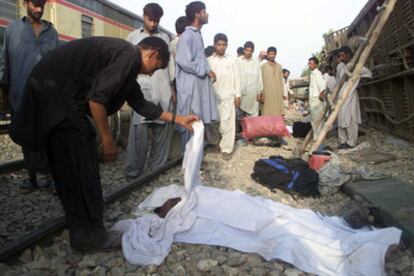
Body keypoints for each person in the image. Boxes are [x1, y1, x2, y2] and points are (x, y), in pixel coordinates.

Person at [9, 36, 198, 252]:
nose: (152, 73)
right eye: (156, 67)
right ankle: (89, 237)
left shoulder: (124, 66)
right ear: (152, 54)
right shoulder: (128, 55)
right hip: (56, 99)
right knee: (79, 169)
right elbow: (97, 99)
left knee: (75, 167)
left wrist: (178, 119)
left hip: (55, 97)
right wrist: (107, 139)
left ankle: (87, 231)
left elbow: (141, 104)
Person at [0, 0, 58, 188]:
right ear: (25, 3)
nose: (39, 9)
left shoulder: (52, 33)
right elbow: (5, 62)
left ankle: (51, 177)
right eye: (35, 4)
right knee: (26, 137)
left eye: (41, 5)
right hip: (21, 95)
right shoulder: (13, 30)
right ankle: (32, 177)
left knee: (48, 137)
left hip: (47, 96)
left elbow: (58, 67)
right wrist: (4, 91)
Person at [125, 3, 174, 179]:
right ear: (143, 16)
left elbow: (170, 65)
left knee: (161, 129)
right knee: (139, 130)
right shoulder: (132, 37)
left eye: (156, 20)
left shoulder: (166, 38)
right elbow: (127, 65)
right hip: (141, 86)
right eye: (150, 19)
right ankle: (134, 171)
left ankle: (156, 170)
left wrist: (173, 88)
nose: (153, 24)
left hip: (162, 86)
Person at [176, 1, 218, 147]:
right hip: (190, 90)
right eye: (204, 11)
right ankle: (187, 164)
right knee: (190, 123)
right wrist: (206, 70)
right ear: (197, 14)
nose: (207, 14)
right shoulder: (187, 36)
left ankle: (194, 163)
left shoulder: (197, 35)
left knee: (198, 124)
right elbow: (185, 62)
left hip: (197, 89)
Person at [207, 33, 240, 160]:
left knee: (229, 124)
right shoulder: (209, 61)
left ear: (227, 45)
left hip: (228, 95)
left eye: (223, 45)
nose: (221, 47)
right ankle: (215, 143)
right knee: (212, 123)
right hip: (213, 96)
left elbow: (236, 78)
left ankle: (227, 149)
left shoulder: (231, 60)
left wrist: (237, 95)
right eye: (219, 44)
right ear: (214, 45)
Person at [336, 46, 372, 149]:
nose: (341, 58)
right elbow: (339, 82)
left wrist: (357, 83)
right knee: (341, 118)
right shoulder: (340, 67)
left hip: (350, 95)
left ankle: (351, 142)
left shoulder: (357, 66)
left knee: (351, 118)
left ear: (348, 55)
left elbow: (369, 74)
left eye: (343, 55)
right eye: (340, 56)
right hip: (341, 95)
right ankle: (343, 140)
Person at [238, 41, 263, 117]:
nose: (248, 52)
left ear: (253, 51)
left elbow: (259, 78)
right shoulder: (237, 61)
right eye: (247, 50)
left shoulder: (256, 62)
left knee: (253, 117)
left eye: (250, 51)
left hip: (252, 94)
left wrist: (259, 92)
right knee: (239, 117)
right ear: (244, 50)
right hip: (240, 93)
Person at [261, 46, 285, 116]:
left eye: (273, 54)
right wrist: (262, 93)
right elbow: (260, 81)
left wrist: (282, 93)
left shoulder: (279, 66)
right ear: (267, 55)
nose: (272, 56)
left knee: (278, 114)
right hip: (267, 94)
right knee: (267, 114)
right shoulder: (263, 67)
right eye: (270, 54)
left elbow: (281, 81)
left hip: (277, 94)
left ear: (275, 54)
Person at [308, 57, 326, 140]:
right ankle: (317, 137)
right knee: (315, 119)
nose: (309, 65)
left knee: (318, 119)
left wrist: (321, 96)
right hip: (313, 100)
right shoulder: (312, 73)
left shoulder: (317, 73)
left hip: (317, 101)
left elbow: (322, 87)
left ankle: (319, 138)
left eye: (311, 63)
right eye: (309, 63)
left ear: (316, 64)